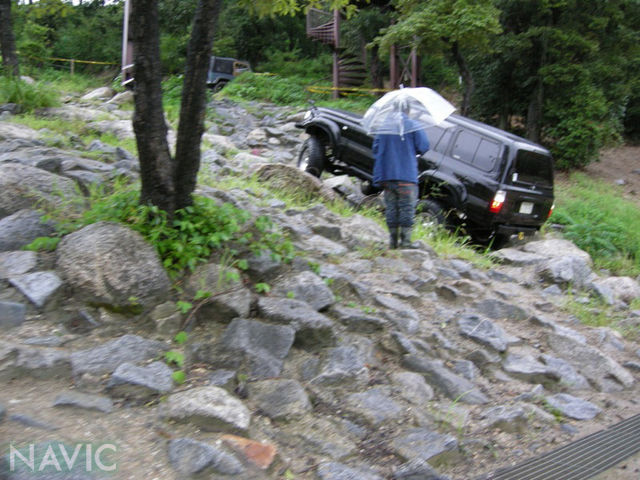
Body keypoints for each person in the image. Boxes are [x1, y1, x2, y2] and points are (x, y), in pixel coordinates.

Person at [372, 114, 430, 249]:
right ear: (408, 109)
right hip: (406, 174)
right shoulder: (412, 125)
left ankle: (392, 242)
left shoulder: (383, 127)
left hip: (387, 175)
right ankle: (405, 242)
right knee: (406, 208)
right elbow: (424, 146)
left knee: (391, 207)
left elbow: (376, 149)